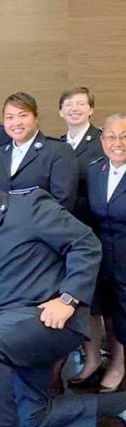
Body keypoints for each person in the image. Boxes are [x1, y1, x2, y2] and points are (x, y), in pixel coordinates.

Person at [0, 162, 126, 426]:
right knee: (34, 416)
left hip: (46, 317)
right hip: (4, 327)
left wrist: (69, 298)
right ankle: (120, 405)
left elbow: (84, 243)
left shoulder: (29, 205)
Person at [86, 114, 126, 393]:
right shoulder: (95, 170)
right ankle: (112, 360)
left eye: (124, 136)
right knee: (109, 312)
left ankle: (119, 366)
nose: (117, 142)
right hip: (104, 259)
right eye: (110, 136)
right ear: (102, 141)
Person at [0, 92, 79, 211]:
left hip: (43, 228)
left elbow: (62, 203)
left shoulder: (58, 151)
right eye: (9, 117)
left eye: (23, 115)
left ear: (36, 117)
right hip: (4, 228)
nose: (16, 123)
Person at [59, 87, 105, 224]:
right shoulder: (57, 145)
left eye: (80, 104)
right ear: (61, 112)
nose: (74, 109)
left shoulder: (103, 141)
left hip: (94, 221)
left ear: (91, 109)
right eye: (68, 105)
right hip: (64, 220)